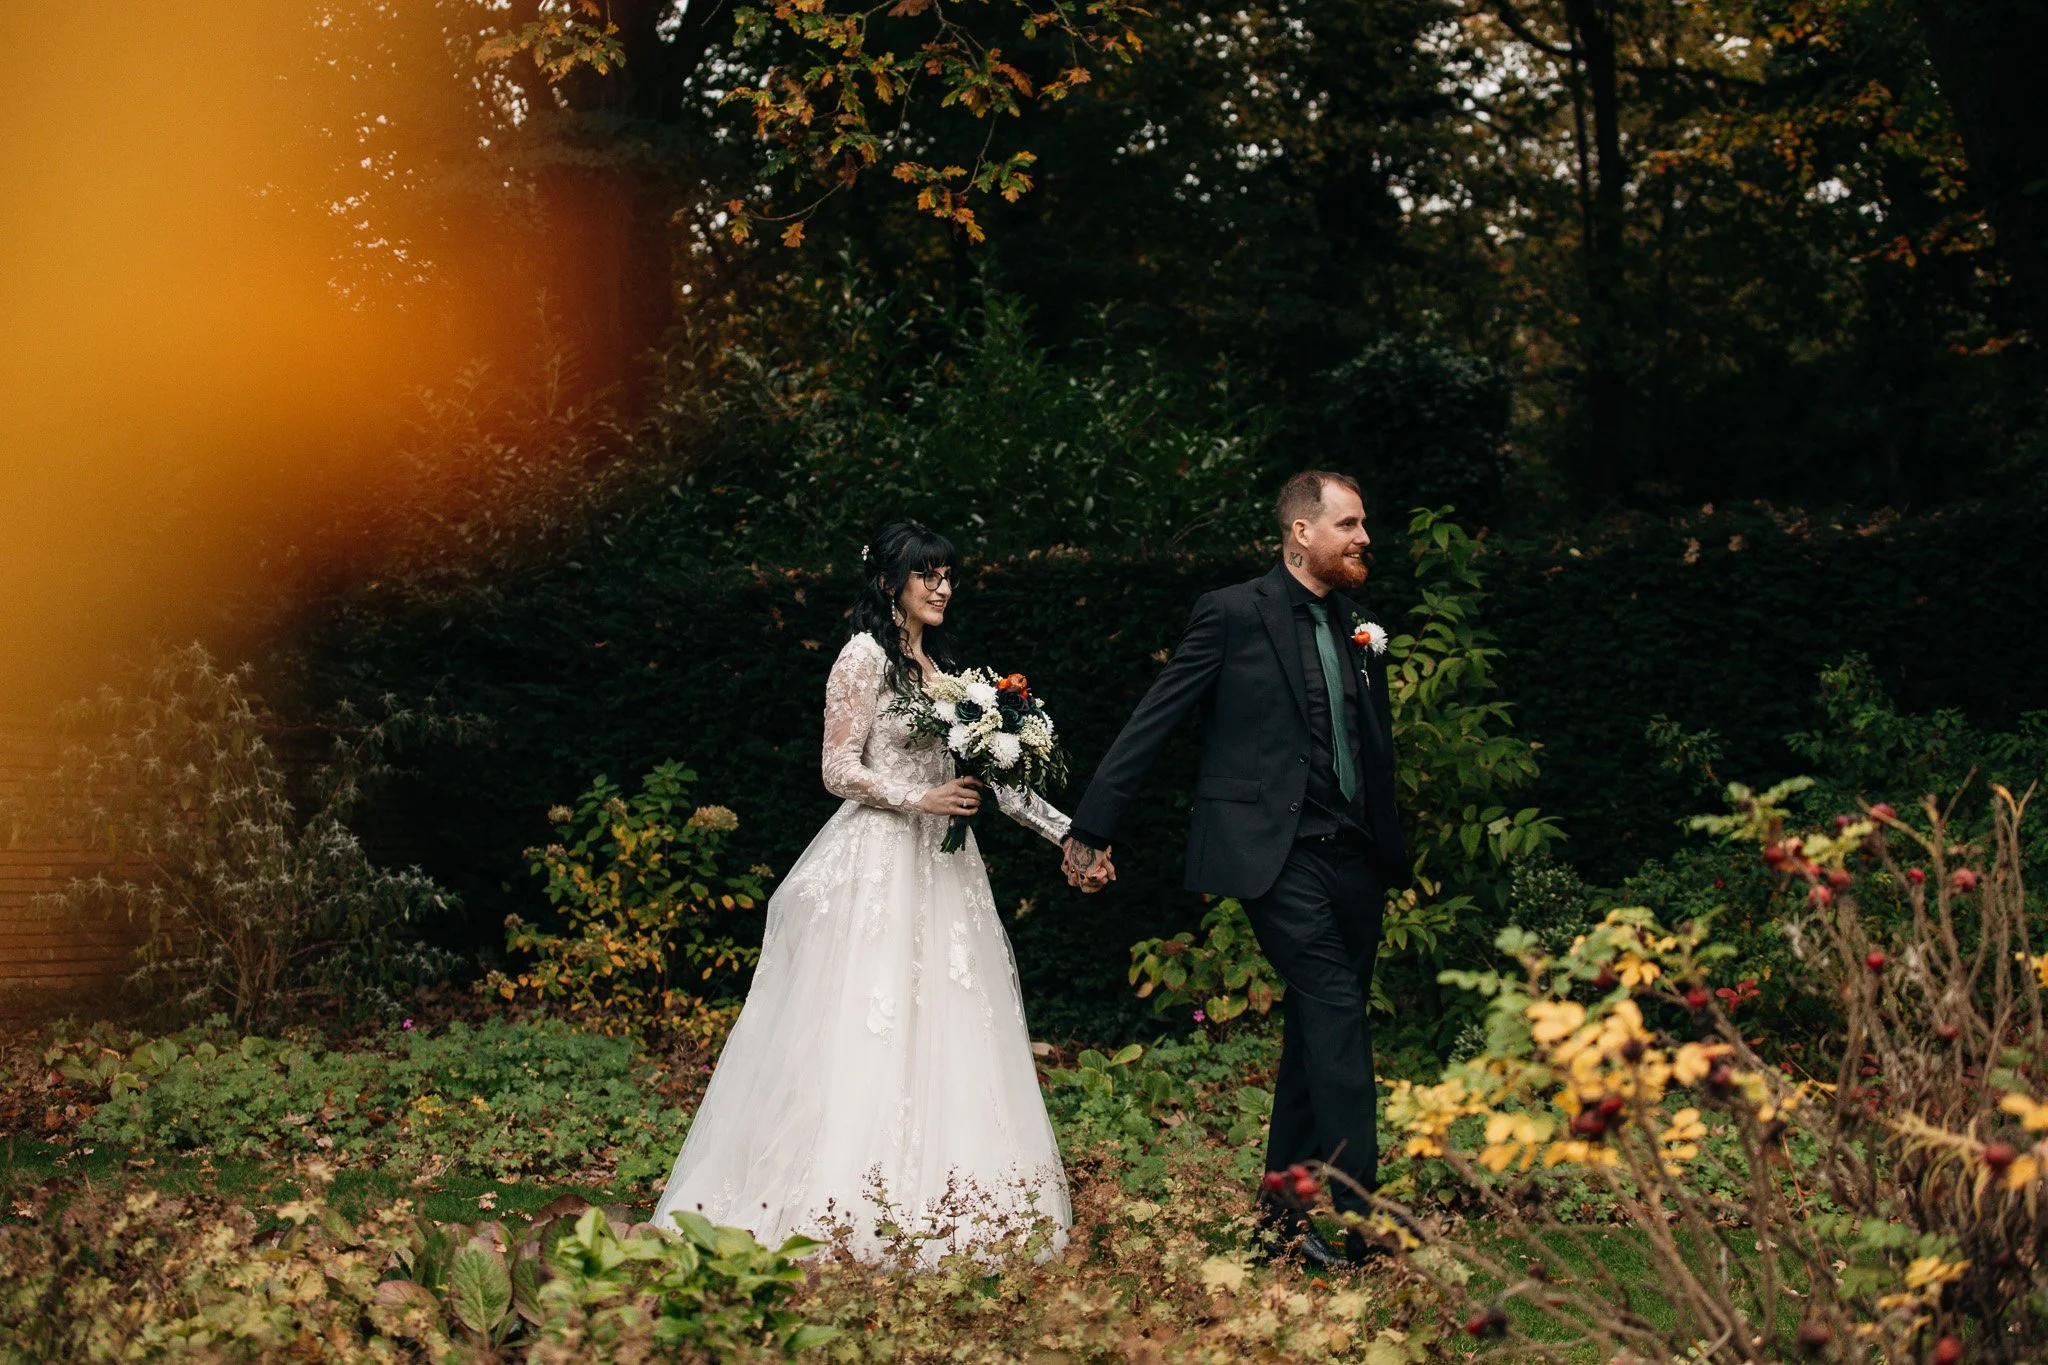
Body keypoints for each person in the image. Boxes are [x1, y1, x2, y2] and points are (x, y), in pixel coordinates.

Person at [653, 520, 1106, 1263]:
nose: (942, 587)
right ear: (890, 581)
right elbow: (837, 768)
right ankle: (838, 1206)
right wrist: (919, 798)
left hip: (945, 872)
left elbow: (999, 783)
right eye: (927, 574)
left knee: (952, 1022)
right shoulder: (862, 657)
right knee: (868, 1024)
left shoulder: (949, 672)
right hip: (878, 863)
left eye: (948, 575)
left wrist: (1072, 836)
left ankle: (952, 1205)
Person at [1060, 471, 1410, 1268]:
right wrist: (1091, 828)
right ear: (1301, 533)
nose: (1364, 538)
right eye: (1349, 524)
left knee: (1319, 1031)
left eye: (1364, 524)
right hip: (1276, 857)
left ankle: (1280, 1226)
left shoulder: (1357, 625)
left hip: (1357, 858)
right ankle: (1365, 1223)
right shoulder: (1231, 613)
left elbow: (1371, 749)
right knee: (1336, 1014)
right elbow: (1157, 717)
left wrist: (1387, 845)